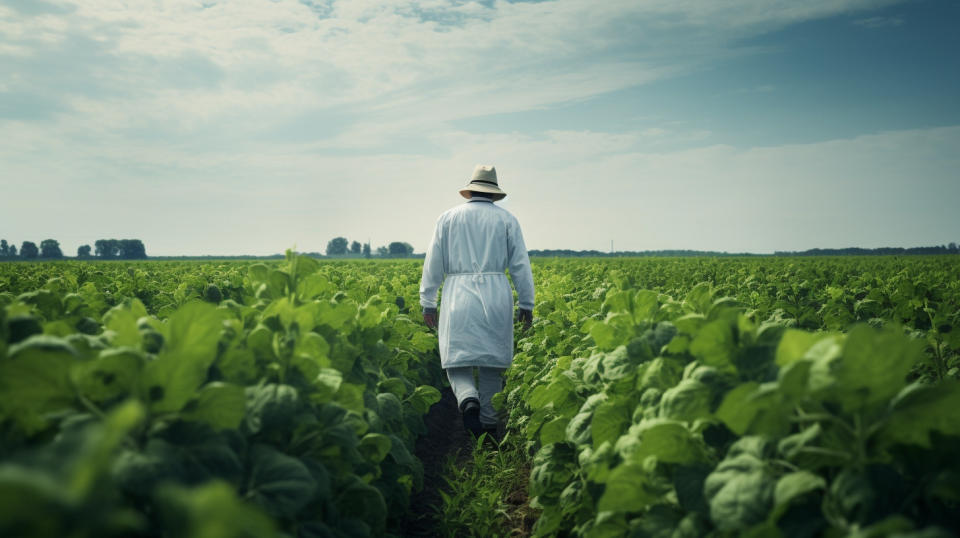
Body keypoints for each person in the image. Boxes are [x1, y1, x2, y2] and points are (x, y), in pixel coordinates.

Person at [420, 165, 535, 438]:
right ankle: (487, 429)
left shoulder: (447, 218)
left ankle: (468, 398)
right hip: (496, 293)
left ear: (470, 190)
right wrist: (526, 303)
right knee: (492, 364)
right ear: (494, 193)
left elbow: (433, 263)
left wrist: (428, 300)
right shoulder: (507, 220)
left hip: (457, 294)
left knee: (456, 360)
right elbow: (520, 264)